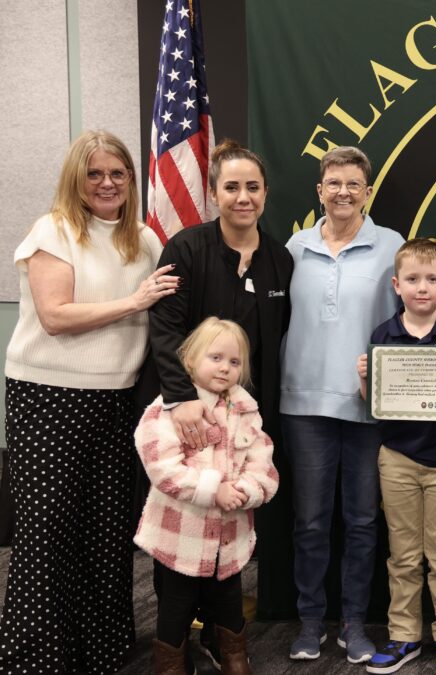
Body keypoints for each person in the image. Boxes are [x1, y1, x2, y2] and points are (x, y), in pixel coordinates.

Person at [279, 146, 436, 664]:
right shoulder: (294, 247)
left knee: (364, 522)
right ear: (319, 191)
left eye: (354, 183)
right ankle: (309, 622)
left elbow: (434, 298)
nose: (343, 191)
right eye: (334, 183)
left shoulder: (389, 244)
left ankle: (353, 622)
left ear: (367, 191)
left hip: (371, 407)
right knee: (308, 521)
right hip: (303, 402)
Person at [0, 130, 178, 673]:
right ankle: (38, 655)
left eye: (117, 174)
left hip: (116, 400)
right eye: (94, 174)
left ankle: (101, 647)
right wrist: (134, 301)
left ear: (130, 180)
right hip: (48, 399)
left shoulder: (143, 240)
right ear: (76, 179)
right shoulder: (51, 231)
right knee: (48, 530)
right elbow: (55, 316)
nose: (107, 183)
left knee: (105, 531)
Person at [143, 139, 293, 665]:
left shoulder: (279, 260)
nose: (243, 196)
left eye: (253, 187)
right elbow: (162, 327)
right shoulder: (185, 249)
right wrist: (181, 399)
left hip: (244, 422)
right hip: (184, 418)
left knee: (229, 534)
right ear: (213, 193)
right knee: (181, 539)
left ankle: (221, 637)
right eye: (231, 187)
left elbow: (276, 342)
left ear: (266, 194)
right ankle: (175, 642)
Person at [356, 238, 436, 675]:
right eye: (413, 279)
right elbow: (372, 404)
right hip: (397, 458)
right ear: (397, 285)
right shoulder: (383, 336)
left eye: (432, 280)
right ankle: (404, 636)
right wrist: (364, 378)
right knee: (404, 554)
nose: (422, 288)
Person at [135, 317, 278, 675]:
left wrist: (244, 491)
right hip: (180, 536)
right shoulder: (166, 409)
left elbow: (263, 465)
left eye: (234, 362)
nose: (225, 368)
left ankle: (233, 656)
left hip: (229, 537)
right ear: (190, 361)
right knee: (176, 603)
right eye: (215, 358)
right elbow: (162, 467)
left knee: (228, 598)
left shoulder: (247, 411)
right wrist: (215, 490)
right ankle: (170, 664)